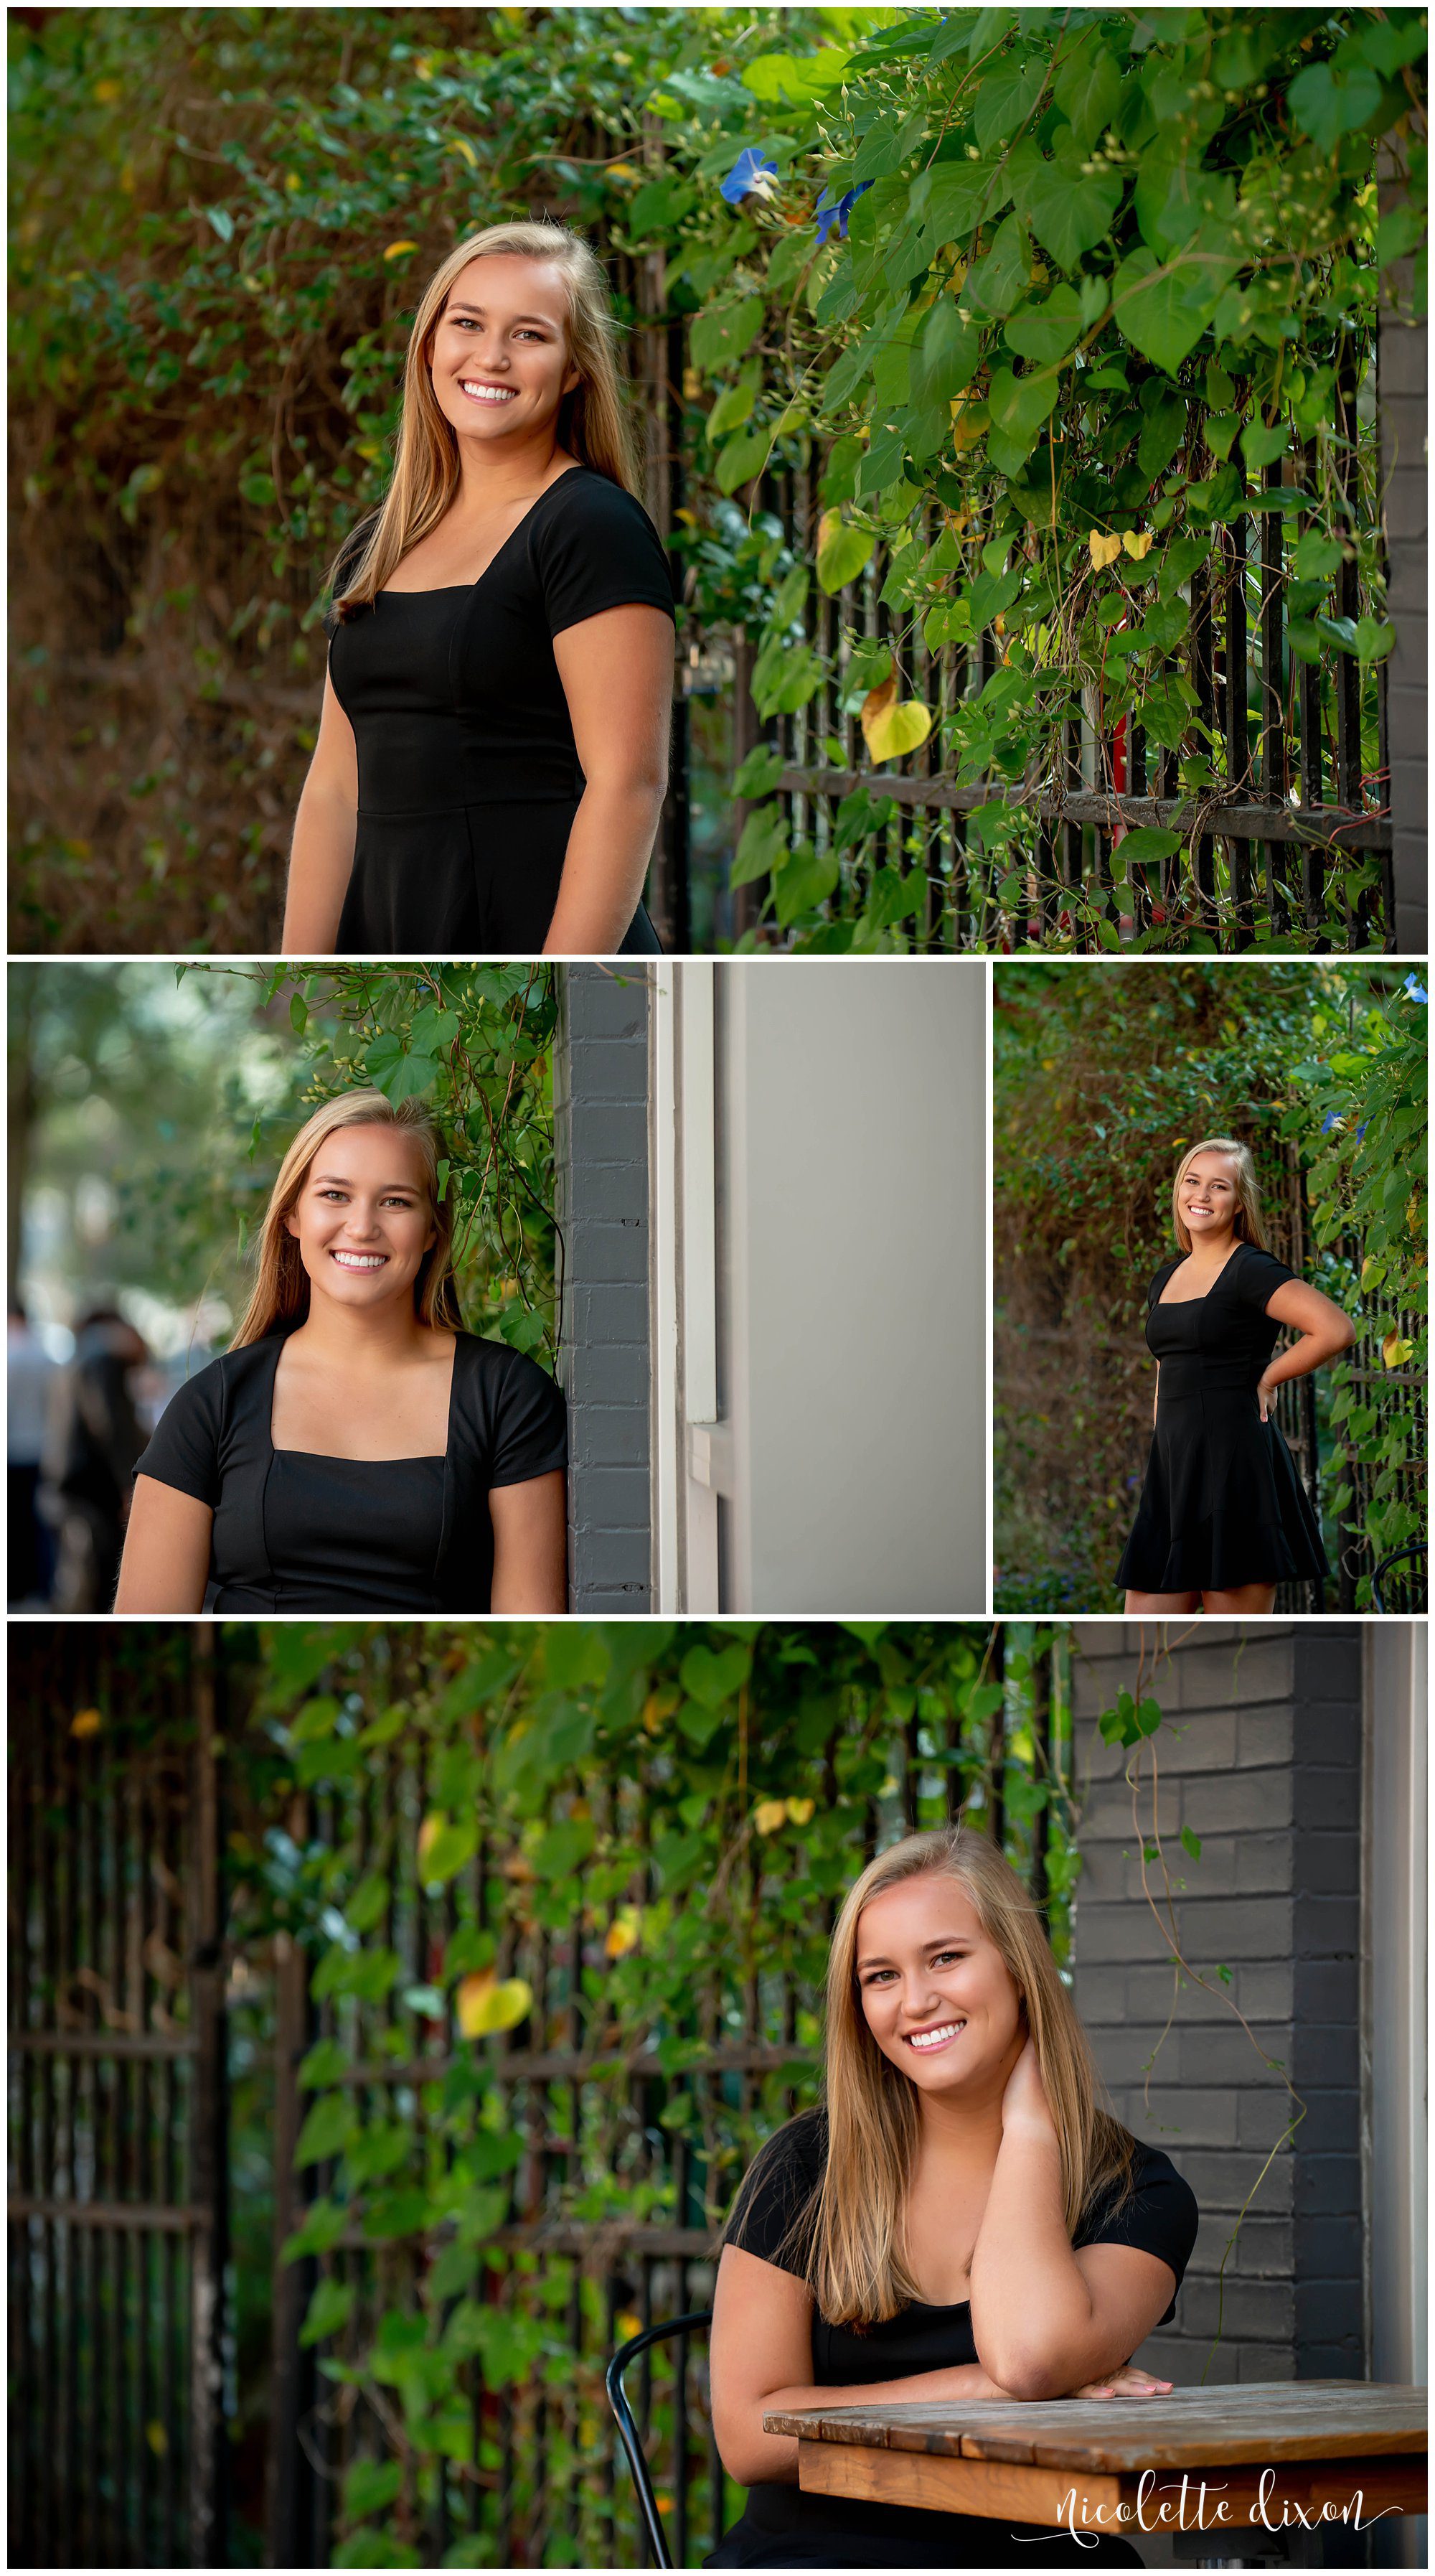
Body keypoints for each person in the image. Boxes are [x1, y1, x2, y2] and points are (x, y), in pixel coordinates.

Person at [707, 1827, 1198, 2569]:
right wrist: (980, 2389)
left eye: (945, 1957)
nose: (916, 2001)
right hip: (818, 2553)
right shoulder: (808, 2166)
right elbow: (748, 2437)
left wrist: (1030, 2128)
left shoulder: (1134, 2188)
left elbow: (1029, 2360)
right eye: (881, 1975)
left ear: (1019, 1968)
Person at [282, 220, 675, 958]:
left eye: (529, 334)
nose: (491, 356)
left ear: (574, 370)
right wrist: (306, 975)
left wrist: (553, 991)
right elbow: (335, 786)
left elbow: (627, 783)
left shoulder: (590, 526)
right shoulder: (379, 543)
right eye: (467, 323)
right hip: (399, 954)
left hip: (538, 949)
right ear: (430, 344)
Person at [113, 1091, 566, 1613]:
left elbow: (532, 1629)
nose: (362, 1226)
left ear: (431, 1229)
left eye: (396, 1201)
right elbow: (148, 1631)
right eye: (334, 1194)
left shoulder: (507, 1398)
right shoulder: (213, 1405)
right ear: (292, 1215)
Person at [1117, 1139, 1353, 1613]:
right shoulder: (1165, 1279)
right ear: (1179, 1189)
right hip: (1175, 1473)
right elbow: (1167, 1368)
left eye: (1219, 1186)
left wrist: (1269, 1378)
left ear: (1239, 1201)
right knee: (1144, 1629)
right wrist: (1166, 1452)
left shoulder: (1251, 1269)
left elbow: (1335, 1329)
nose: (1201, 1195)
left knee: (1233, 1636)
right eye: (1193, 1181)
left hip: (1234, 1466)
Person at [41, 1307, 149, 1611]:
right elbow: (110, 1425)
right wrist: (129, 1483)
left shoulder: (74, 1362)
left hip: (67, 1484)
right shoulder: (102, 1362)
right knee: (96, 1583)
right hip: (91, 1490)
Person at [8, 1297, 56, 1603]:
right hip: (42, 1448)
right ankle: (42, 1585)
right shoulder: (44, 1356)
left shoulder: (9, 1355)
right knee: (38, 1520)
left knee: (14, 1522)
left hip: (13, 1451)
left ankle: (16, 1586)